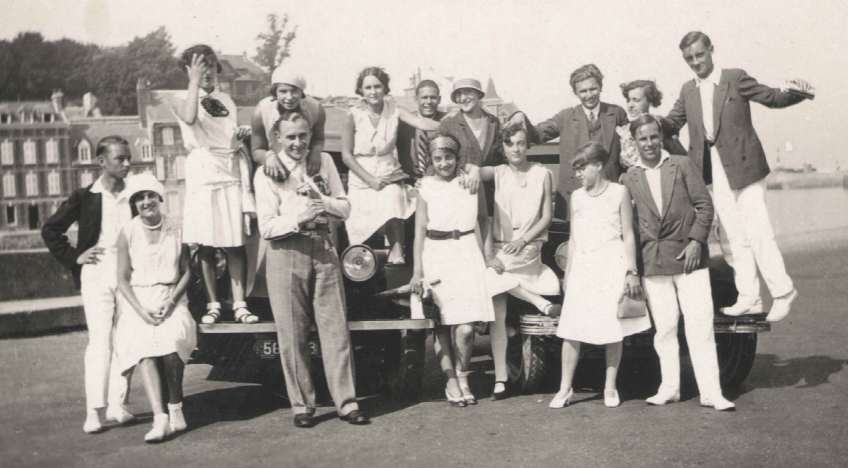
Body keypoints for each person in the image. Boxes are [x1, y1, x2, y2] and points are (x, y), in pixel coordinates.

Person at [665, 31, 813, 322]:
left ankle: (783, 291)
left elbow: (771, 97)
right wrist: (644, 121)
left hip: (745, 166)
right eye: (689, 58)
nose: (695, 62)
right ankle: (750, 298)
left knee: (758, 231)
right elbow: (671, 123)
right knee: (733, 238)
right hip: (713, 170)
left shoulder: (734, 78)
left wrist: (799, 92)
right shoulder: (687, 90)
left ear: (711, 50)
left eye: (699, 54)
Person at [254, 111, 370, 428]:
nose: (298, 143)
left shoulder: (324, 162)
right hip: (285, 251)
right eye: (291, 137)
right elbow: (266, 227)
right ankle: (302, 406)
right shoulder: (266, 172)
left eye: (303, 135)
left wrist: (323, 202)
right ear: (278, 138)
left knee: (336, 331)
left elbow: (345, 207)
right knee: (292, 335)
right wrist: (299, 219)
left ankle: (347, 403)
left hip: (323, 248)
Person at [620, 115, 734, 411]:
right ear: (634, 142)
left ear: (660, 137)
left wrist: (696, 241)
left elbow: (705, 206)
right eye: (642, 138)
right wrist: (632, 269)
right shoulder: (629, 178)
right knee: (665, 328)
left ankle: (711, 392)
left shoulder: (681, 165)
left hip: (690, 260)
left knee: (700, 326)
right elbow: (628, 226)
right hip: (654, 263)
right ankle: (670, 388)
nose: (649, 143)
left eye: (653, 137)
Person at [41, 135, 136, 434]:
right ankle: (94, 411)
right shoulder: (85, 196)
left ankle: (117, 405)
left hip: (130, 275)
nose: (127, 163)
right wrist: (75, 257)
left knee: (126, 340)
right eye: (120, 158)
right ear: (101, 162)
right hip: (96, 274)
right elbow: (51, 229)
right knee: (99, 342)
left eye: (128, 158)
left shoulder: (135, 194)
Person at [550, 141, 650, 409]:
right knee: (571, 329)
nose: (577, 174)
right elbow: (573, 239)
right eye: (576, 169)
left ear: (598, 165)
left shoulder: (619, 192)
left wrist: (631, 271)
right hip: (583, 267)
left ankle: (610, 387)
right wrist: (568, 274)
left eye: (581, 168)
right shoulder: (576, 197)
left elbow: (628, 234)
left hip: (612, 265)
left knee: (612, 329)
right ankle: (565, 388)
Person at [172, 44, 257, 325]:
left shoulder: (227, 100)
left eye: (210, 65)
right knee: (206, 245)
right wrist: (194, 81)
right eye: (199, 66)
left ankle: (240, 304)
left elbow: (228, 135)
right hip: (203, 172)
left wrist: (241, 136)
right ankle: (213, 304)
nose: (207, 71)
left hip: (229, 171)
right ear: (188, 70)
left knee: (234, 242)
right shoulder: (180, 98)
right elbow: (189, 118)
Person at [409, 135, 495, 407]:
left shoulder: (471, 182)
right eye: (438, 158)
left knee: (466, 328)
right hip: (436, 254)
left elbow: (483, 220)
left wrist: (488, 256)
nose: (443, 163)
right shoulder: (425, 187)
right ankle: (451, 380)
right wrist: (417, 271)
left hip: (467, 253)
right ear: (431, 161)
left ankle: (463, 375)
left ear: (458, 158)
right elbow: (419, 231)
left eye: (448, 157)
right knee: (442, 324)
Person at [115, 174, 197, 442]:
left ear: (160, 198)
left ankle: (175, 407)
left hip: (172, 297)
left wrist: (171, 302)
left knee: (173, 342)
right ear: (134, 204)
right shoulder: (127, 232)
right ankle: (159, 419)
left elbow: (187, 272)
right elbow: (122, 279)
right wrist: (141, 311)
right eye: (139, 198)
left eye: (150, 195)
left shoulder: (177, 228)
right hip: (139, 302)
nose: (146, 201)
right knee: (144, 347)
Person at [481, 124, 561, 400]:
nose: (516, 149)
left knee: (490, 277)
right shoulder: (499, 172)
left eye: (520, 143)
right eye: (510, 144)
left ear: (528, 146)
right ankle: (501, 379)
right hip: (501, 247)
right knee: (497, 309)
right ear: (502, 148)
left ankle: (501, 377)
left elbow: (546, 217)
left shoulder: (542, 173)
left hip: (528, 248)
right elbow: (470, 171)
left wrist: (523, 240)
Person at [341, 66, 440, 264]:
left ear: (385, 88)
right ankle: (361, 261)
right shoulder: (352, 115)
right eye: (368, 87)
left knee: (393, 196)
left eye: (377, 86)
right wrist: (370, 180)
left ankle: (397, 254)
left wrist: (455, 126)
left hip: (388, 173)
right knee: (359, 217)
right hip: (361, 177)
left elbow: (422, 123)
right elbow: (346, 155)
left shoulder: (395, 111)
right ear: (361, 90)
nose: (373, 92)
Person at [510, 64, 628, 218]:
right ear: (575, 93)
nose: (589, 95)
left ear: (601, 87)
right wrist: (520, 116)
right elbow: (536, 135)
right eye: (583, 91)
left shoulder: (616, 113)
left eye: (593, 89)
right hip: (576, 197)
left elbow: (630, 150)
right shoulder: (565, 117)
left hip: (609, 195)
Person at [437, 78, 504, 212]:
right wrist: (467, 168)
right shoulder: (448, 124)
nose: (463, 98)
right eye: (458, 94)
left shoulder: (494, 122)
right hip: (461, 194)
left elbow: (501, 158)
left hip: (491, 195)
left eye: (468, 92)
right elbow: (439, 158)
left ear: (478, 94)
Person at [251, 68, 324, 180]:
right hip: (274, 164)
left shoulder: (316, 108)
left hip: (303, 162)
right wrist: (268, 157)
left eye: (294, 91)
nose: (289, 97)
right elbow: (257, 150)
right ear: (275, 92)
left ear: (302, 92)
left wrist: (316, 152)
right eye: (283, 91)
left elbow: (318, 139)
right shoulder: (261, 111)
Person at [617, 80, 686, 169]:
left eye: (636, 100)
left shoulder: (660, 125)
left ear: (649, 101)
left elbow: (680, 156)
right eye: (628, 100)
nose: (630, 105)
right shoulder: (625, 130)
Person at [396, 79, 448, 179]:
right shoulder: (403, 122)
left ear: (439, 99)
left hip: (438, 178)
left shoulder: (447, 120)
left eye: (433, 97)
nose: (429, 102)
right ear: (416, 99)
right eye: (424, 97)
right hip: (408, 179)